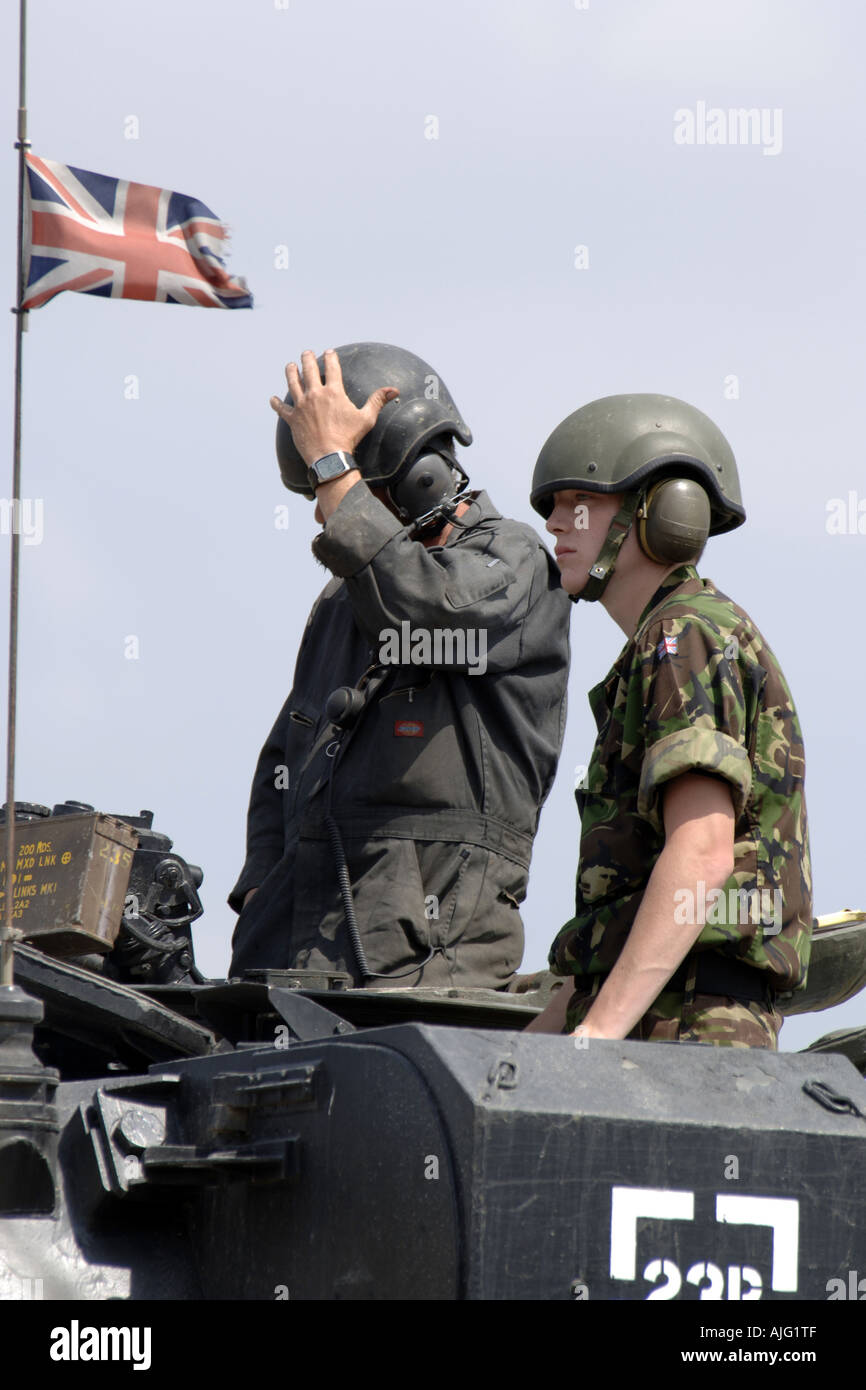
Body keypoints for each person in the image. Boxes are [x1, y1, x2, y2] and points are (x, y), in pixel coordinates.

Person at [228, 343, 570, 987]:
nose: (326, 507)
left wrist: (334, 466)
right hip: (296, 948)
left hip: (429, 954)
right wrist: (259, 895)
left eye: (351, 484)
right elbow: (286, 757)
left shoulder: (514, 562)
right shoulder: (344, 599)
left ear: (422, 474)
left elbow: (426, 609)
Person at [525, 393, 811, 1048]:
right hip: (660, 1016)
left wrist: (594, 1037)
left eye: (582, 504)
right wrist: (538, 1048)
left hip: (686, 1031)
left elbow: (701, 852)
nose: (556, 525)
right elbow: (622, 914)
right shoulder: (663, 642)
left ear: (662, 514)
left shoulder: (687, 636)